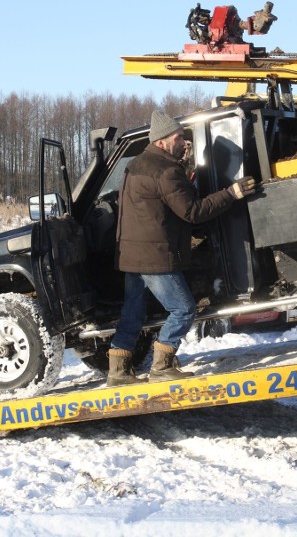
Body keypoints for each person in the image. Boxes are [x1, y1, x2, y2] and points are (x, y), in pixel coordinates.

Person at [108, 110, 256, 386]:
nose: (184, 142)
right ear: (163, 141)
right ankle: (162, 365)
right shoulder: (165, 170)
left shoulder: (138, 164)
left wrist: (183, 170)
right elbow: (192, 211)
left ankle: (118, 371)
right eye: (179, 138)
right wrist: (231, 194)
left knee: (133, 312)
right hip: (154, 256)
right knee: (184, 308)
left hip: (132, 254)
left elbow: (161, 202)